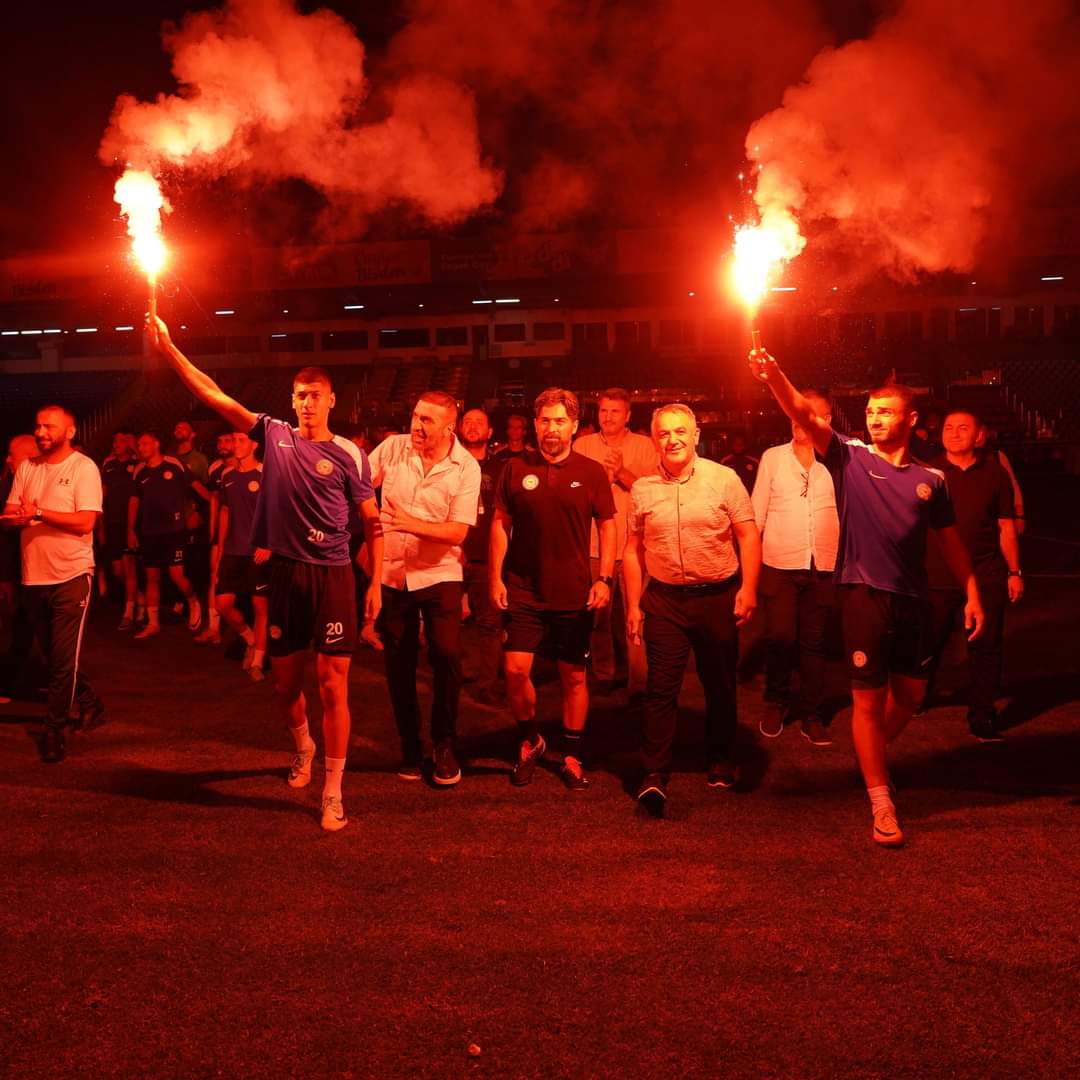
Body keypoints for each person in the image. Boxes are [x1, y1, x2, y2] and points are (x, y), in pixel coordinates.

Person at [148, 314, 382, 832]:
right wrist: (170, 351)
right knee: (284, 685)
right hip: (285, 575)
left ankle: (333, 790)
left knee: (333, 685)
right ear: (293, 400)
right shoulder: (273, 435)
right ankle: (303, 746)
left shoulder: (349, 454)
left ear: (332, 400)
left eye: (315, 395)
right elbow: (215, 396)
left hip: (335, 575)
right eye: (300, 394)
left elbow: (372, 521)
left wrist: (377, 586)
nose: (306, 402)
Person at [751, 350, 983, 849]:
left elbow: (950, 542)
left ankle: (870, 753)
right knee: (868, 702)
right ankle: (881, 800)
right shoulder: (849, 456)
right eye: (872, 411)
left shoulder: (931, 480)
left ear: (911, 419)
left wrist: (972, 591)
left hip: (913, 601)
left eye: (887, 411)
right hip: (862, 596)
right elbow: (801, 413)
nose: (876, 419)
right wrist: (773, 374)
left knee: (912, 697)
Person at [623, 404, 761, 812]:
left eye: (680, 431)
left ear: (696, 434)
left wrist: (749, 588)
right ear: (654, 440)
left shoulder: (724, 479)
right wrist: (633, 603)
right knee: (660, 688)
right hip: (665, 599)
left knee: (719, 683)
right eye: (663, 433)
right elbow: (632, 551)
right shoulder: (643, 489)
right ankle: (653, 772)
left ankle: (720, 758)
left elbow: (748, 535)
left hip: (717, 596)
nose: (673, 439)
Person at [489, 388, 616, 790]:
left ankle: (573, 754)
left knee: (574, 678)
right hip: (523, 589)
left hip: (574, 592)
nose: (551, 428)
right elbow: (499, 524)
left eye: (560, 420)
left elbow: (608, 526)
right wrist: (495, 576)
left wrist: (605, 578)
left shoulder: (592, 471)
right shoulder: (513, 468)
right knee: (514, 670)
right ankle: (531, 740)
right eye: (545, 420)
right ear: (536, 423)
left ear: (574, 426)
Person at [368, 392, 480, 786]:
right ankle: (410, 748)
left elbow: (457, 532)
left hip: (440, 574)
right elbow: (357, 485)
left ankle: (445, 744)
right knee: (397, 665)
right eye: (415, 416)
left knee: (447, 656)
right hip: (393, 574)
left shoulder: (465, 467)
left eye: (427, 421)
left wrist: (408, 522)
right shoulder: (393, 448)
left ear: (449, 427)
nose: (417, 426)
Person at [1, 406, 104, 763]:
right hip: (34, 576)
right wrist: (19, 518)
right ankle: (90, 701)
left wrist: (39, 513)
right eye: (38, 426)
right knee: (55, 658)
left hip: (71, 576)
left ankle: (54, 730)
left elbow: (85, 522)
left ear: (70, 431)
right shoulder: (27, 469)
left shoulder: (83, 468)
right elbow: (11, 516)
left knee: (60, 661)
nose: (41, 431)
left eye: (49, 426)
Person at [923, 409, 1022, 740]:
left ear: (980, 436)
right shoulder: (928, 472)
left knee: (985, 646)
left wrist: (1014, 572)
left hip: (985, 574)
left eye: (963, 427)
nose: (953, 433)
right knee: (928, 640)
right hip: (937, 575)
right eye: (948, 427)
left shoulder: (995, 476)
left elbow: (1006, 526)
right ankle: (919, 696)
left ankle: (982, 714)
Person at [750, 391, 839, 746]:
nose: (798, 420)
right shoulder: (773, 458)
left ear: (826, 420)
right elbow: (756, 514)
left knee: (814, 644)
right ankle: (777, 702)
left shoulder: (839, 459)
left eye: (809, 414)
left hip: (824, 565)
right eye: (794, 412)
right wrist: (748, 574)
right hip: (780, 564)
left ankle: (812, 714)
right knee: (781, 638)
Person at [573, 388, 656, 697]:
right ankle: (604, 674)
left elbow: (651, 490)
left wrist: (621, 472)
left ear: (628, 416)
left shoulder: (645, 447)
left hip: (635, 545)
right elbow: (575, 490)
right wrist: (599, 482)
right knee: (597, 616)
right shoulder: (583, 445)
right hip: (594, 546)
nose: (608, 417)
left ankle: (639, 681)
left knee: (637, 617)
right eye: (603, 411)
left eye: (615, 412)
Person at [129, 430, 202, 639]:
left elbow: (195, 488)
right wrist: (131, 531)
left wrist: (200, 508)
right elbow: (134, 502)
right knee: (152, 576)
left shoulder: (173, 465)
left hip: (174, 531)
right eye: (139, 445)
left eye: (144, 444)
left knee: (176, 575)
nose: (140, 448)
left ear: (156, 444)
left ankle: (193, 601)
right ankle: (153, 624)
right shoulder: (140, 471)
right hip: (150, 533)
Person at [215, 429, 271, 683]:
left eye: (240, 440)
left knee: (261, 607)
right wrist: (220, 545)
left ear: (254, 445)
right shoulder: (226, 475)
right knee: (222, 604)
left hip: (257, 553)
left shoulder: (266, 474)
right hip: (233, 551)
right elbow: (225, 510)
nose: (234, 444)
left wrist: (268, 544)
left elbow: (277, 513)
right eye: (232, 439)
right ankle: (249, 639)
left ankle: (258, 661)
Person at [458, 407, 505, 706]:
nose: (473, 426)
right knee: (447, 623)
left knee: (489, 624)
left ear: (489, 433)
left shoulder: (501, 469)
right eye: (468, 421)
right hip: (448, 555)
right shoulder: (448, 464)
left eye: (480, 423)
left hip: (485, 558)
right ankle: (454, 675)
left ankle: (486, 683)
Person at [0, 434, 41, 704]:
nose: (7, 459)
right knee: (19, 630)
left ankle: (8, 684)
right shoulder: (8, 488)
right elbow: (4, 536)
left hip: (36, 572)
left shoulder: (33, 483)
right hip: (17, 572)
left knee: (30, 630)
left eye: (33, 459)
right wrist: (6, 577)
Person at [194, 430, 237, 645]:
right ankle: (213, 628)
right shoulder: (215, 468)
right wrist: (212, 529)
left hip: (244, 533)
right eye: (219, 440)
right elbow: (214, 500)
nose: (223, 444)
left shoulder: (251, 467)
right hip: (222, 532)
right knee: (215, 575)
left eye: (227, 440)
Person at [98, 429, 140, 629]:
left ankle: (129, 612)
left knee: (128, 566)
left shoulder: (137, 464)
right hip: (112, 521)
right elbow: (102, 496)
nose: (117, 444)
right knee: (117, 570)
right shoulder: (108, 465)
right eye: (115, 441)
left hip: (130, 522)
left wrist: (134, 447)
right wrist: (100, 524)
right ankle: (139, 598)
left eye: (122, 441)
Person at [173, 420, 213, 631]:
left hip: (191, 518)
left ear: (192, 434)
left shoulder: (199, 459)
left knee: (193, 562)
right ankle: (180, 600)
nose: (178, 430)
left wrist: (197, 512)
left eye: (183, 427)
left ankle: (197, 604)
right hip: (172, 520)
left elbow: (206, 490)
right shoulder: (170, 458)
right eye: (176, 427)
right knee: (175, 564)